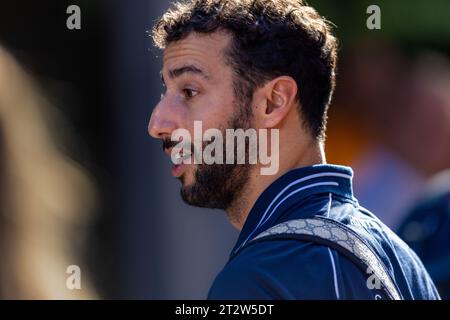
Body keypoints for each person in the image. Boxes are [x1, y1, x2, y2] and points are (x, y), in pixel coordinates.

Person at [148, 0, 439, 299]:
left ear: (274, 102)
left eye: (189, 91)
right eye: (165, 92)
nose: (157, 123)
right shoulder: (404, 263)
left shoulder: (261, 278)